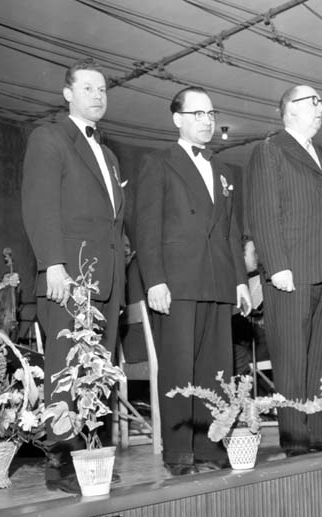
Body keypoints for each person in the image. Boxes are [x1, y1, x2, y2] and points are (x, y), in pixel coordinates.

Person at [135, 86, 251, 476]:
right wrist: (155, 280)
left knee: (216, 370)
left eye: (211, 114)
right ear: (177, 119)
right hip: (177, 282)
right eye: (197, 114)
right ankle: (179, 452)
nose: (206, 121)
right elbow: (146, 226)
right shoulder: (158, 162)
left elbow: (231, 231)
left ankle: (209, 447)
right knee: (178, 368)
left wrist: (239, 281)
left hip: (218, 280)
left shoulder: (225, 171)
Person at [21, 58, 126, 492]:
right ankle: (62, 467)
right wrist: (53, 264)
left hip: (108, 281)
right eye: (88, 88)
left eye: (102, 90)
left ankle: (93, 460)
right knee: (65, 373)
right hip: (69, 276)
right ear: (67, 94)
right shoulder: (49, 137)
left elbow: (113, 222)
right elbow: (39, 204)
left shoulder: (109, 154)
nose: (97, 96)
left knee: (97, 375)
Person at [246, 84, 322, 457]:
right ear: (290, 108)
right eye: (314, 102)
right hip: (291, 269)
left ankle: (319, 433)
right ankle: (295, 439)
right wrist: (276, 265)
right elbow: (263, 212)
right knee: (292, 358)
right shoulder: (270, 149)